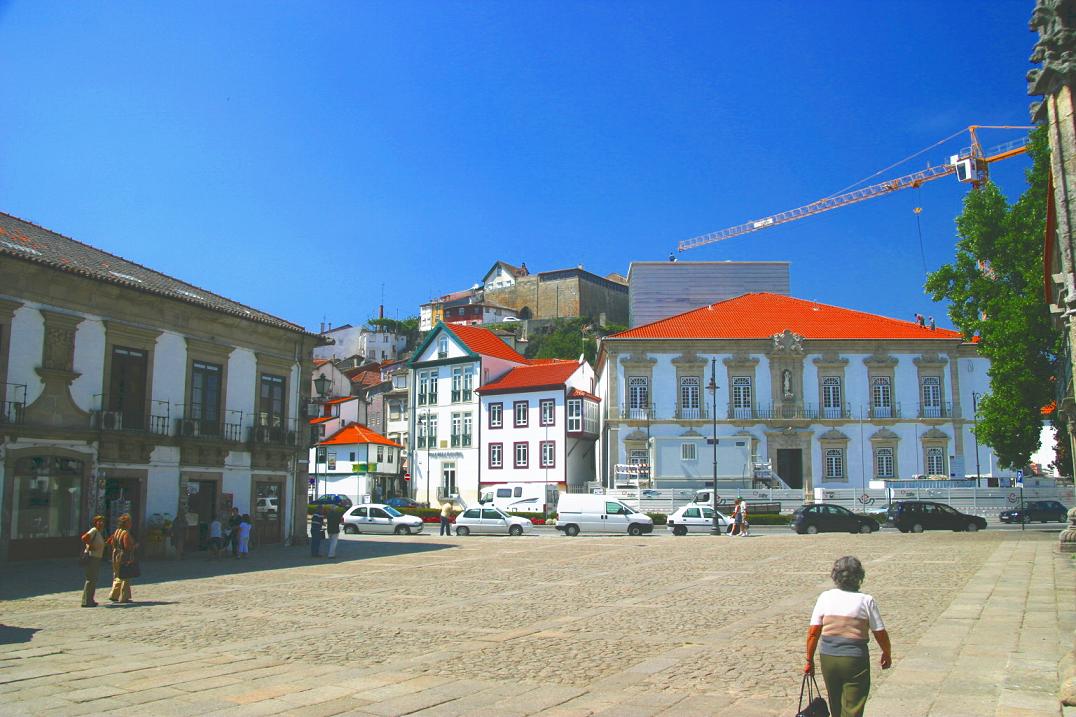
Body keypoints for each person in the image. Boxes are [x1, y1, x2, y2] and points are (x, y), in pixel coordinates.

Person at [805, 556, 892, 717]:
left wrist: (809, 660)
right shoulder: (866, 601)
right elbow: (880, 632)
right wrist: (887, 652)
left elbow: (813, 632)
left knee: (835, 702)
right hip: (855, 659)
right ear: (859, 576)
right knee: (853, 705)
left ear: (835, 576)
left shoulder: (826, 597)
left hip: (828, 657)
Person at [107, 514, 138, 604]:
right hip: (124, 555)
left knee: (117, 574)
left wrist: (115, 549)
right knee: (125, 575)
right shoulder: (125, 533)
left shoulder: (117, 531)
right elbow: (127, 546)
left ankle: (114, 595)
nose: (131, 524)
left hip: (115, 554)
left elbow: (110, 541)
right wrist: (134, 546)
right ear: (125, 523)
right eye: (129, 522)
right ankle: (124, 597)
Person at [80, 515, 107, 607]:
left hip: (97, 557)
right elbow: (84, 537)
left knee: (93, 579)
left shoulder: (99, 532)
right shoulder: (94, 530)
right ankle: (87, 601)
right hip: (92, 558)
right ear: (95, 523)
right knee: (91, 579)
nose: (101, 523)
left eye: (102, 521)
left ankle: (90, 599)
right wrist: (90, 545)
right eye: (99, 521)